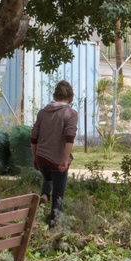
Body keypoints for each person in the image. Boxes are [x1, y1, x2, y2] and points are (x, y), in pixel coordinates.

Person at [30, 80, 79, 226]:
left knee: (48, 177)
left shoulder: (43, 112)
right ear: (70, 97)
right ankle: (54, 226)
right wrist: (65, 160)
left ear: (55, 95)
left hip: (41, 158)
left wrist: (35, 158)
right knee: (58, 195)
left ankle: (44, 194)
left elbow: (33, 137)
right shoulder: (70, 114)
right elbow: (69, 138)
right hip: (57, 161)